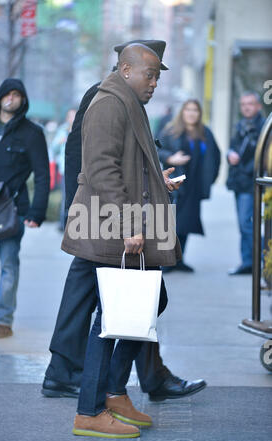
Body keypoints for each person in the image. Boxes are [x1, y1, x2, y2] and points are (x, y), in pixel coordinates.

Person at [42, 40, 206, 406]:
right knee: (130, 302)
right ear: (126, 68)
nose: (154, 82)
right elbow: (94, 163)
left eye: (157, 74)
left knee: (134, 300)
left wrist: (151, 178)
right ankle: (103, 389)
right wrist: (89, 212)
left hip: (110, 213)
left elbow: (121, 160)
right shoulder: (107, 99)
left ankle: (113, 382)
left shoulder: (128, 99)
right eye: (150, 72)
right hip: (105, 217)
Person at [0, 78, 50, 338]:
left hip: (12, 209)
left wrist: (37, 212)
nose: (10, 99)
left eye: (16, 95)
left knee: (9, 266)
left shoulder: (32, 133)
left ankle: (2, 322)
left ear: (23, 100)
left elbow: (41, 175)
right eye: (7, 94)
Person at [158, 99, 221, 272]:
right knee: (172, 224)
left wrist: (210, 179)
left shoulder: (205, 132)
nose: (191, 113)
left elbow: (216, 155)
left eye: (195, 110)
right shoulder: (171, 131)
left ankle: (179, 260)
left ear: (199, 113)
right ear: (182, 112)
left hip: (195, 185)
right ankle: (167, 261)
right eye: (188, 110)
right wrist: (171, 158)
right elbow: (156, 149)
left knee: (186, 224)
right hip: (176, 185)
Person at [227, 92, 265, 275]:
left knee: (246, 224)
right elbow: (233, 147)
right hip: (239, 182)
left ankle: (262, 260)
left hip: (251, 182)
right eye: (243, 104)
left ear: (258, 106)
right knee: (244, 224)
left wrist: (244, 167)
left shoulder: (264, 127)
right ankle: (248, 262)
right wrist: (230, 154)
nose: (246, 107)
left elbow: (263, 156)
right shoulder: (241, 125)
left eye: (250, 104)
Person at [50, 109, 76, 231]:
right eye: (70, 116)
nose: (73, 118)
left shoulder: (80, 129)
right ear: (67, 118)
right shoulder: (62, 131)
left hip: (77, 169)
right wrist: (60, 142)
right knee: (65, 196)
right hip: (65, 169)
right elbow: (53, 148)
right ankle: (63, 223)